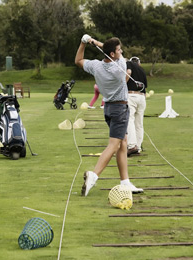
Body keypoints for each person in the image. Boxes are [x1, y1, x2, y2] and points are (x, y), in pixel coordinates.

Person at [75, 35, 143, 196]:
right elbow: (113, 53)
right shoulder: (120, 66)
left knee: (123, 143)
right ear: (113, 54)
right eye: (119, 49)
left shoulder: (96, 66)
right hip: (120, 109)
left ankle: (125, 182)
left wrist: (84, 43)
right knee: (114, 144)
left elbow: (78, 60)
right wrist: (96, 42)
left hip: (109, 109)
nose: (121, 52)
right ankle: (94, 175)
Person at [126, 57, 147, 156]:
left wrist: (122, 84)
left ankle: (131, 146)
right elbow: (144, 87)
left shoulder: (129, 64)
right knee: (139, 124)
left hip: (131, 95)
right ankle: (138, 147)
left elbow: (128, 72)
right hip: (142, 97)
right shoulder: (142, 70)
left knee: (130, 120)